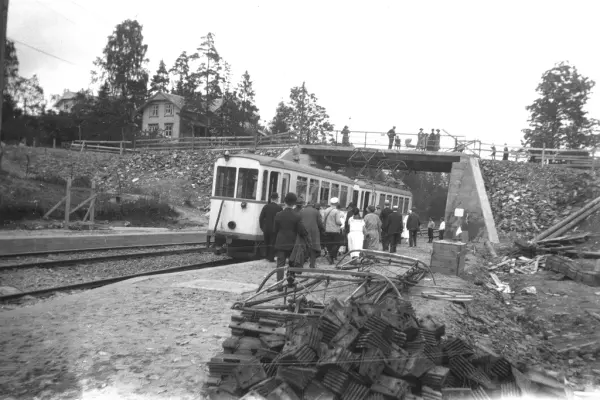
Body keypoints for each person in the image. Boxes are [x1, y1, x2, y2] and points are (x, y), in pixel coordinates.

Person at [273, 192, 307, 285]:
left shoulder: (278, 215)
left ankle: (279, 284)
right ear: (294, 203)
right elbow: (301, 230)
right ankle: (290, 282)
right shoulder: (297, 216)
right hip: (293, 244)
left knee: (280, 264)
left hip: (280, 242)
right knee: (292, 263)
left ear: (285, 201)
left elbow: (275, 230)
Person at [299, 202, 324, 268]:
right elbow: (319, 223)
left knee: (303, 248)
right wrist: (322, 229)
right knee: (313, 248)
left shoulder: (301, 211)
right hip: (314, 232)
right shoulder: (316, 211)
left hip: (303, 231)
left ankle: (301, 264)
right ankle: (312, 264)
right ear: (313, 205)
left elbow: (299, 222)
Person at [259, 192, 283, 262]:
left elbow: (261, 218)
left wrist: (262, 227)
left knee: (266, 242)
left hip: (266, 228)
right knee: (272, 243)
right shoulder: (279, 208)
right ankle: (271, 257)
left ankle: (266, 256)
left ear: (271, 199)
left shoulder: (266, 207)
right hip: (274, 229)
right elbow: (281, 219)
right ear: (277, 199)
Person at [323, 197, 343, 264]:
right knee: (337, 244)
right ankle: (330, 255)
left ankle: (331, 259)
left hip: (327, 230)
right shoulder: (336, 211)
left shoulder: (326, 210)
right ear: (337, 203)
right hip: (335, 230)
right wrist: (341, 224)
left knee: (330, 245)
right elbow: (337, 221)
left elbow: (323, 220)